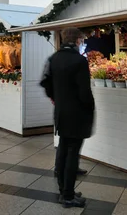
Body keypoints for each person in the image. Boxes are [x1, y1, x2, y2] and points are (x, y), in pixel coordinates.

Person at [40, 28, 95, 208]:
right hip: (77, 113)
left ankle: (64, 190)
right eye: (81, 40)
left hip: (61, 113)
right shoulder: (79, 61)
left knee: (63, 149)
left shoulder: (53, 58)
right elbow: (84, 92)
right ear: (78, 40)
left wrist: (56, 98)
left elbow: (45, 82)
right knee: (72, 154)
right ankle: (69, 196)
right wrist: (89, 109)